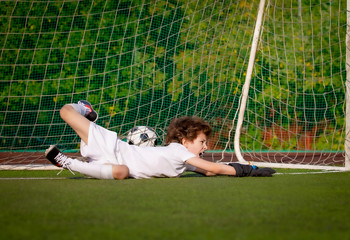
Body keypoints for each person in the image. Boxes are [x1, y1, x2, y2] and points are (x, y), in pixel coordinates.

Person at [45, 100, 275, 179]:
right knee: (66, 112)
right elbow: (212, 167)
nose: (206, 147)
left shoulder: (182, 160)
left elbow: (211, 171)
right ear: (185, 140)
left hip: (114, 164)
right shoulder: (178, 151)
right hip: (113, 147)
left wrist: (245, 167)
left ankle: (67, 162)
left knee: (122, 173)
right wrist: (248, 170)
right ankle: (86, 110)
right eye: (202, 142)